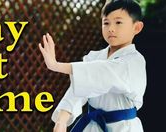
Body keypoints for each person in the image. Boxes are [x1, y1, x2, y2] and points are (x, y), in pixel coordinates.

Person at [38, 0, 146, 132]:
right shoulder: (94, 57)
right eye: (106, 23)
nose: (111, 28)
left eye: (118, 22)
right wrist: (62, 120)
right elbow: (78, 89)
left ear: (137, 27)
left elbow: (101, 72)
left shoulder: (134, 61)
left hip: (123, 127)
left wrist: (57, 66)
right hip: (92, 127)